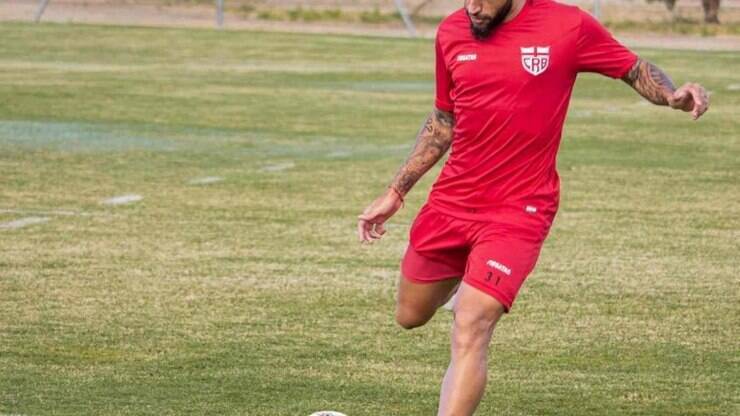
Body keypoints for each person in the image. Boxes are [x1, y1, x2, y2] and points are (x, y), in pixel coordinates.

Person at [356, 0, 709, 414]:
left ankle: (477, 289)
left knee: (471, 324)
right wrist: (396, 191)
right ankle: (470, 277)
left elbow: (631, 68)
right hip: (452, 201)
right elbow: (442, 120)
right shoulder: (452, 32)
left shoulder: (567, 26)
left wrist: (671, 95)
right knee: (409, 315)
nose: (471, 6)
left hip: (519, 210)